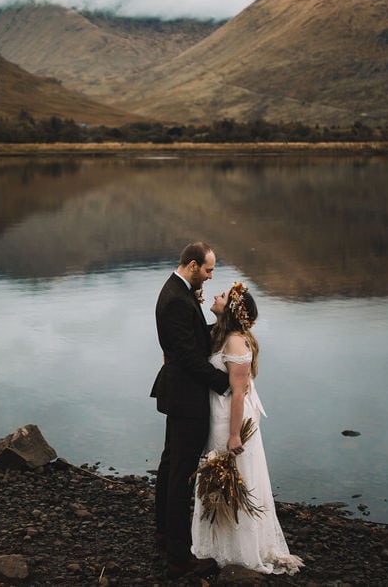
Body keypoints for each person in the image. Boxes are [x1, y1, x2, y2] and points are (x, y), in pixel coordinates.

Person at [190, 282, 304, 575]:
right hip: (219, 413)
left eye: (223, 296)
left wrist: (233, 434)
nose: (216, 295)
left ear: (230, 308)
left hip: (231, 418)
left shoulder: (236, 342)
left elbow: (238, 392)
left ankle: (238, 549)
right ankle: (218, 544)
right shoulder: (221, 335)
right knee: (218, 476)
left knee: (233, 475)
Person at [151, 242, 231, 579]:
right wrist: (224, 382)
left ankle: (164, 534)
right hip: (186, 397)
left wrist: (221, 322)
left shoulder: (178, 292)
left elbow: (193, 340)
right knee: (181, 473)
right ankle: (179, 558)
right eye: (209, 270)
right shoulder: (175, 299)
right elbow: (187, 355)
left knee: (171, 464)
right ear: (193, 264)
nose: (210, 277)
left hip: (180, 393)